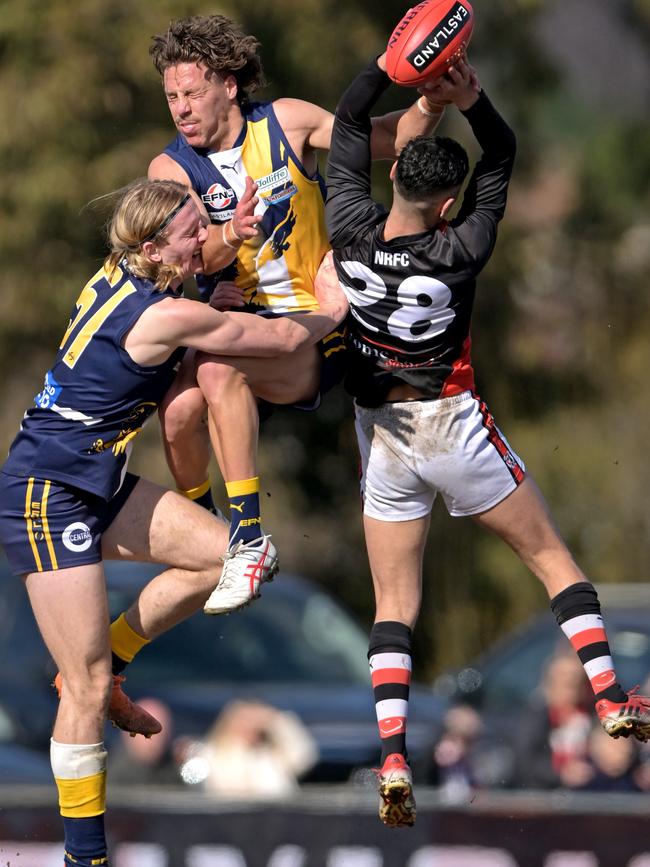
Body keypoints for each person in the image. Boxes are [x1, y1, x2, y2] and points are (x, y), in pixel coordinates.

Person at [324, 51, 650, 828]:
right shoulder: (461, 248)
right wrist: (472, 99)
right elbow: (500, 156)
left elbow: (343, 126)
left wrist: (390, 66)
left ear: (397, 177)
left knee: (395, 602)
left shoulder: (346, 224)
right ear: (445, 206)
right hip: (452, 424)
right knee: (549, 559)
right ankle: (609, 695)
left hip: (385, 435)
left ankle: (394, 751)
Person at [0, 178, 346, 866]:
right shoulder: (162, 317)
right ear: (155, 245)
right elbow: (275, 336)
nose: (204, 239)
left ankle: (114, 657)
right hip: (46, 491)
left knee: (228, 555)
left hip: (93, 477)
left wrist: (233, 237)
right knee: (88, 688)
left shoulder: (125, 271)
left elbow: (193, 271)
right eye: (194, 230)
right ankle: (84, 855)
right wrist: (333, 309)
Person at [147, 13, 447, 614]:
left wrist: (432, 103)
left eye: (193, 92)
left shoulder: (285, 121)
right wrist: (228, 237)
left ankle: (248, 539)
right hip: (239, 327)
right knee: (177, 410)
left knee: (212, 371)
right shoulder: (171, 170)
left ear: (229, 84)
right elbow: (179, 258)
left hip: (317, 328)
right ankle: (212, 536)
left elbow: (383, 138)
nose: (180, 108)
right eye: (172, 96)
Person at [179, 699, 318, 799]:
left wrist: (276, 720)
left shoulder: (269, 756)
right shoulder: (210, 754)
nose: (250, 727)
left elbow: (304, 757)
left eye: (255, 723)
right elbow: (203, 783)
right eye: (244, 721)